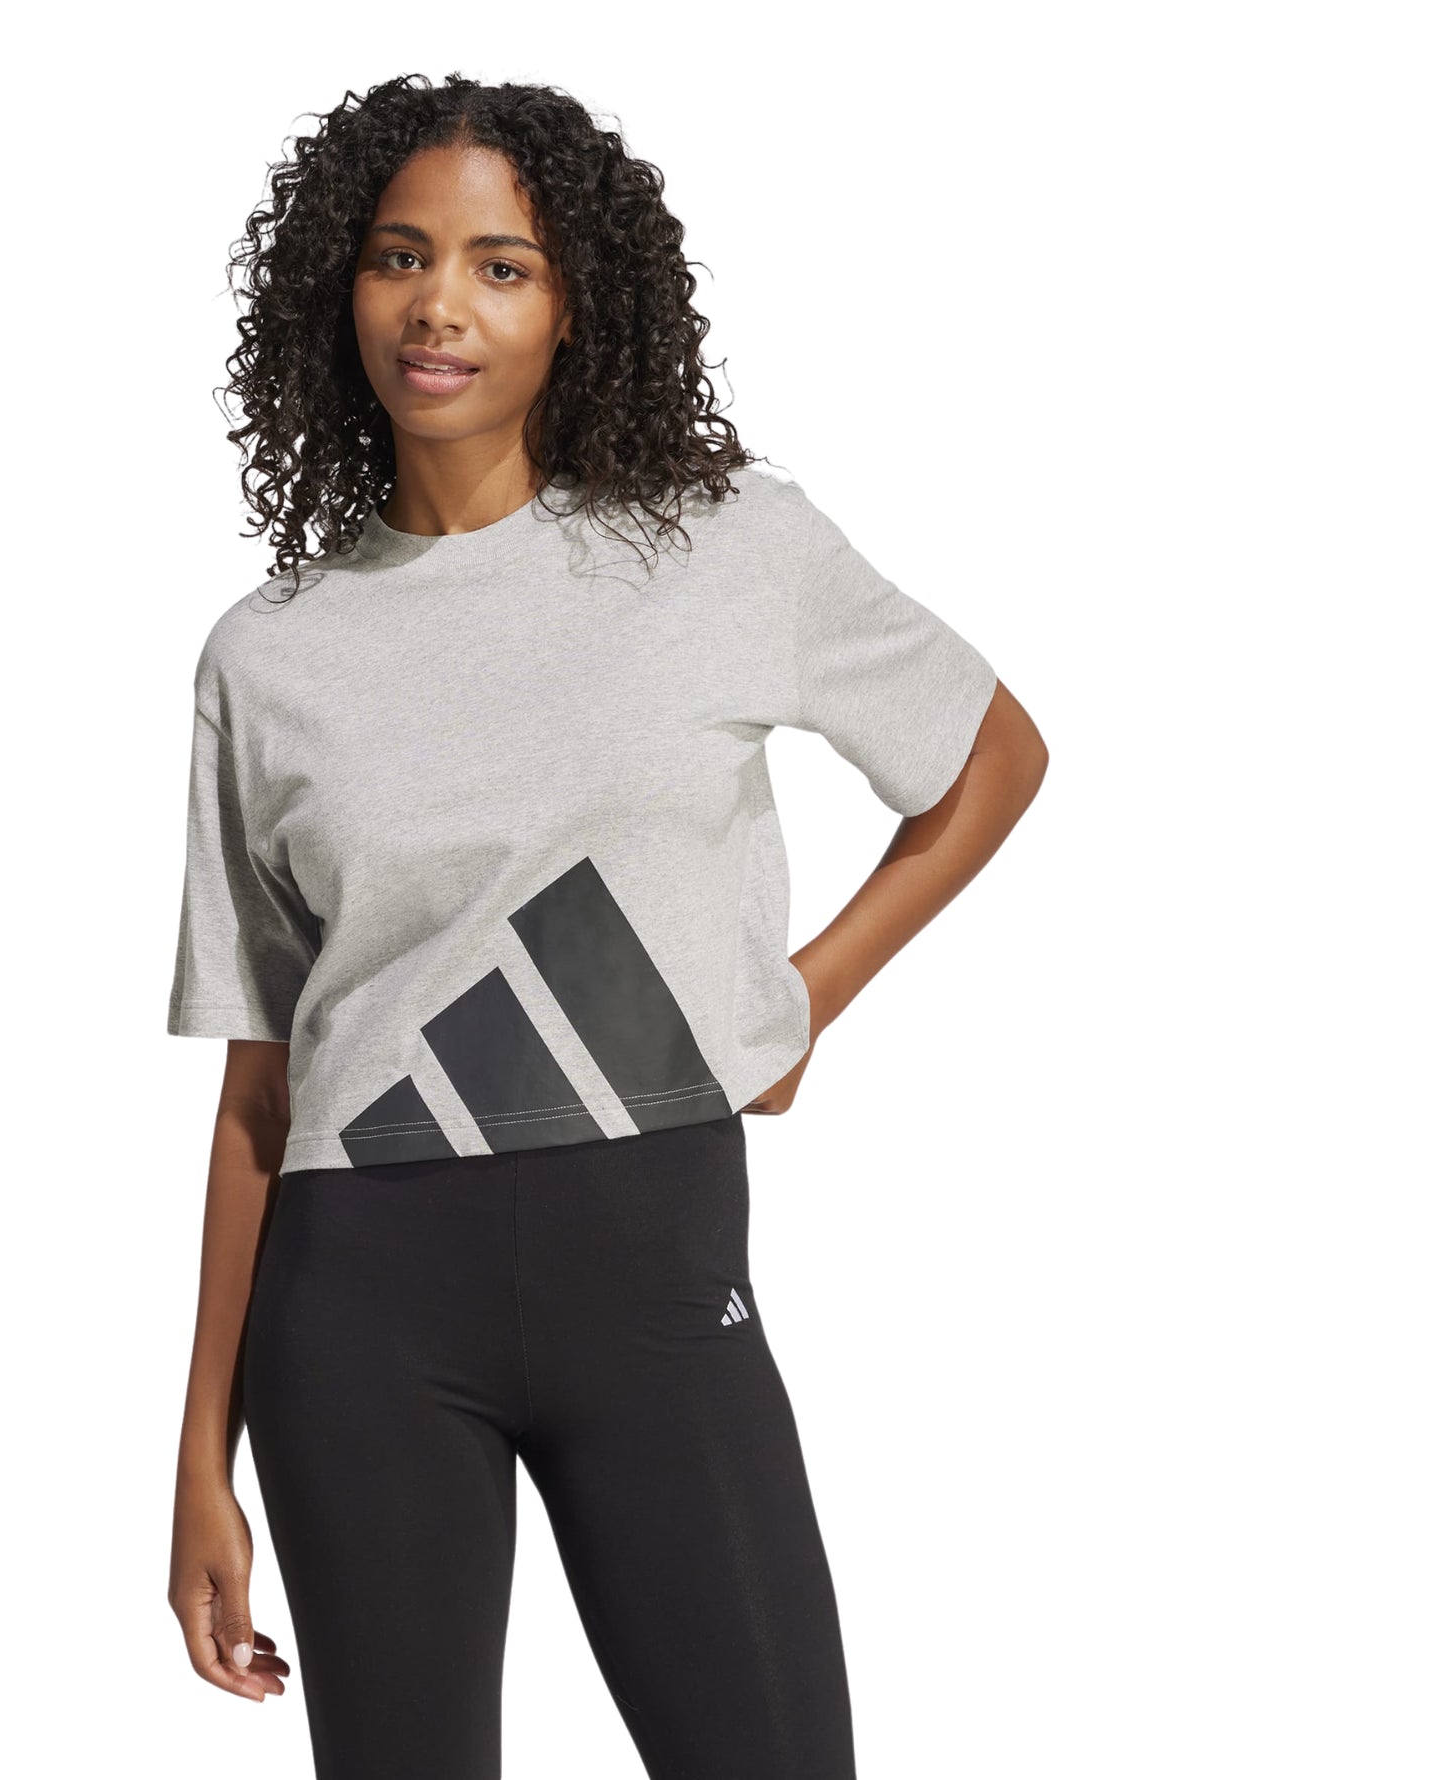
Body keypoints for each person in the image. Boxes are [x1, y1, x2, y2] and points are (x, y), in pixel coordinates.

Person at [165, 72, 1048, 1780]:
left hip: (654, 1283)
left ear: (577, 307)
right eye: (400, 257)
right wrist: (203, 1456)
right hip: (357, 1319)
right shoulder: (266, 656)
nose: (439, 305)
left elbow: (992, 759)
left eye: (501, 266)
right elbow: (259, 1096)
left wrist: (796, 1005)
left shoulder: (723, 547)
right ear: (339, 290)